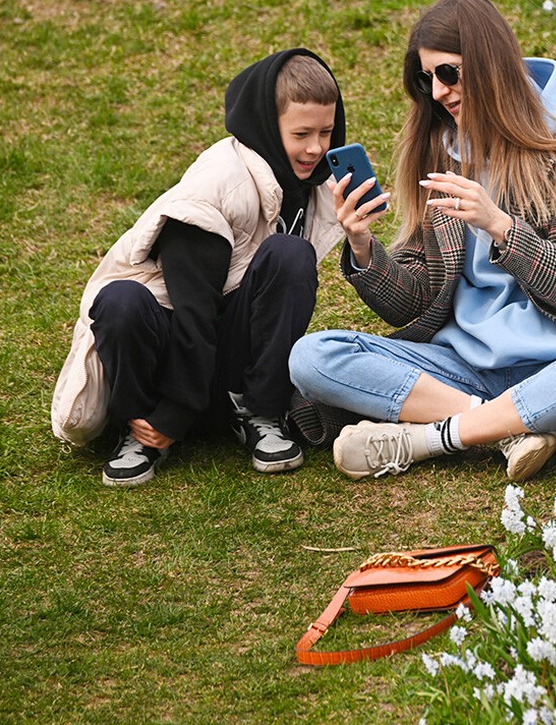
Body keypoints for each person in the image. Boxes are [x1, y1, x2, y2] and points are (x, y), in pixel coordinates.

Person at [288, 0, 556, 483]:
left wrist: (500, 226)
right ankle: (510, 427)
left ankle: (426, 439)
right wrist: (363, 247)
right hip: (461, 367)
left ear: (489, 63)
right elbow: (415, 305)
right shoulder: (440, 154)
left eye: (449, 72)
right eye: (427, 80)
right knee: (312, 357)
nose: (439, 92)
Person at [51, 48, 349, 487]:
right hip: (166, 355)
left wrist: (357, 235)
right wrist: (171, 414)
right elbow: (194, 312)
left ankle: (259, 410)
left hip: (220, 362)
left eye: (326, 132)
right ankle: (141, 430)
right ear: (267, 124)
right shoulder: (216, 188)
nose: (316, 148)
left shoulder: (312, 185)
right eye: (301, 133)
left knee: (290, 255)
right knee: (121, 301)